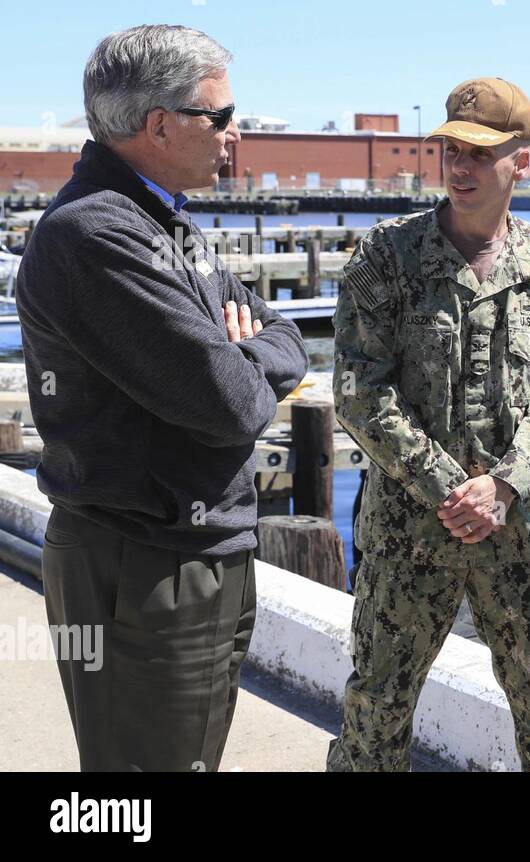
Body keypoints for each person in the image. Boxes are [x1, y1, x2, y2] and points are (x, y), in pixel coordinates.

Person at [16, 25, 308, 771]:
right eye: (221, 115)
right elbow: (233, 403)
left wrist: (243, 349)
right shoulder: (95, 235)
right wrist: (238, 355)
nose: (234, 133)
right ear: (160, 125)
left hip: (193, 551)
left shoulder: (160, 219)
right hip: (144, 562)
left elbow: (285, 338)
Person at [326, 78, 530, 772]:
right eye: (451, 150)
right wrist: (450, 488)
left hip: (523, 535)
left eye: (481, 153)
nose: (462, 167)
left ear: (522, 161)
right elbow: (361, 391)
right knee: (375, 718)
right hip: (409, 535)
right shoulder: (387, 257)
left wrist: (502, 488)